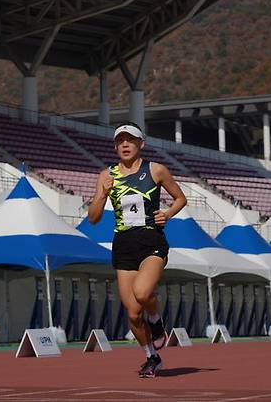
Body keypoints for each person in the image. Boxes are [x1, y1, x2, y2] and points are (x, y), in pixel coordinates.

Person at [87, 122, 187, 378]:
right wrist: (102, 195)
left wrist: (167, 214)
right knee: (132, 314)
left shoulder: (156, 170)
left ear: (141, 144)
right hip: (123, 244)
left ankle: (156, 320)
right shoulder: (106, 175)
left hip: (151, 240)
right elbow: (93, 218)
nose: (125, 145)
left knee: (143, 293)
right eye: (120, 141)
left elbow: (180, 198)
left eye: (130, 140)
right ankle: (152, 358)